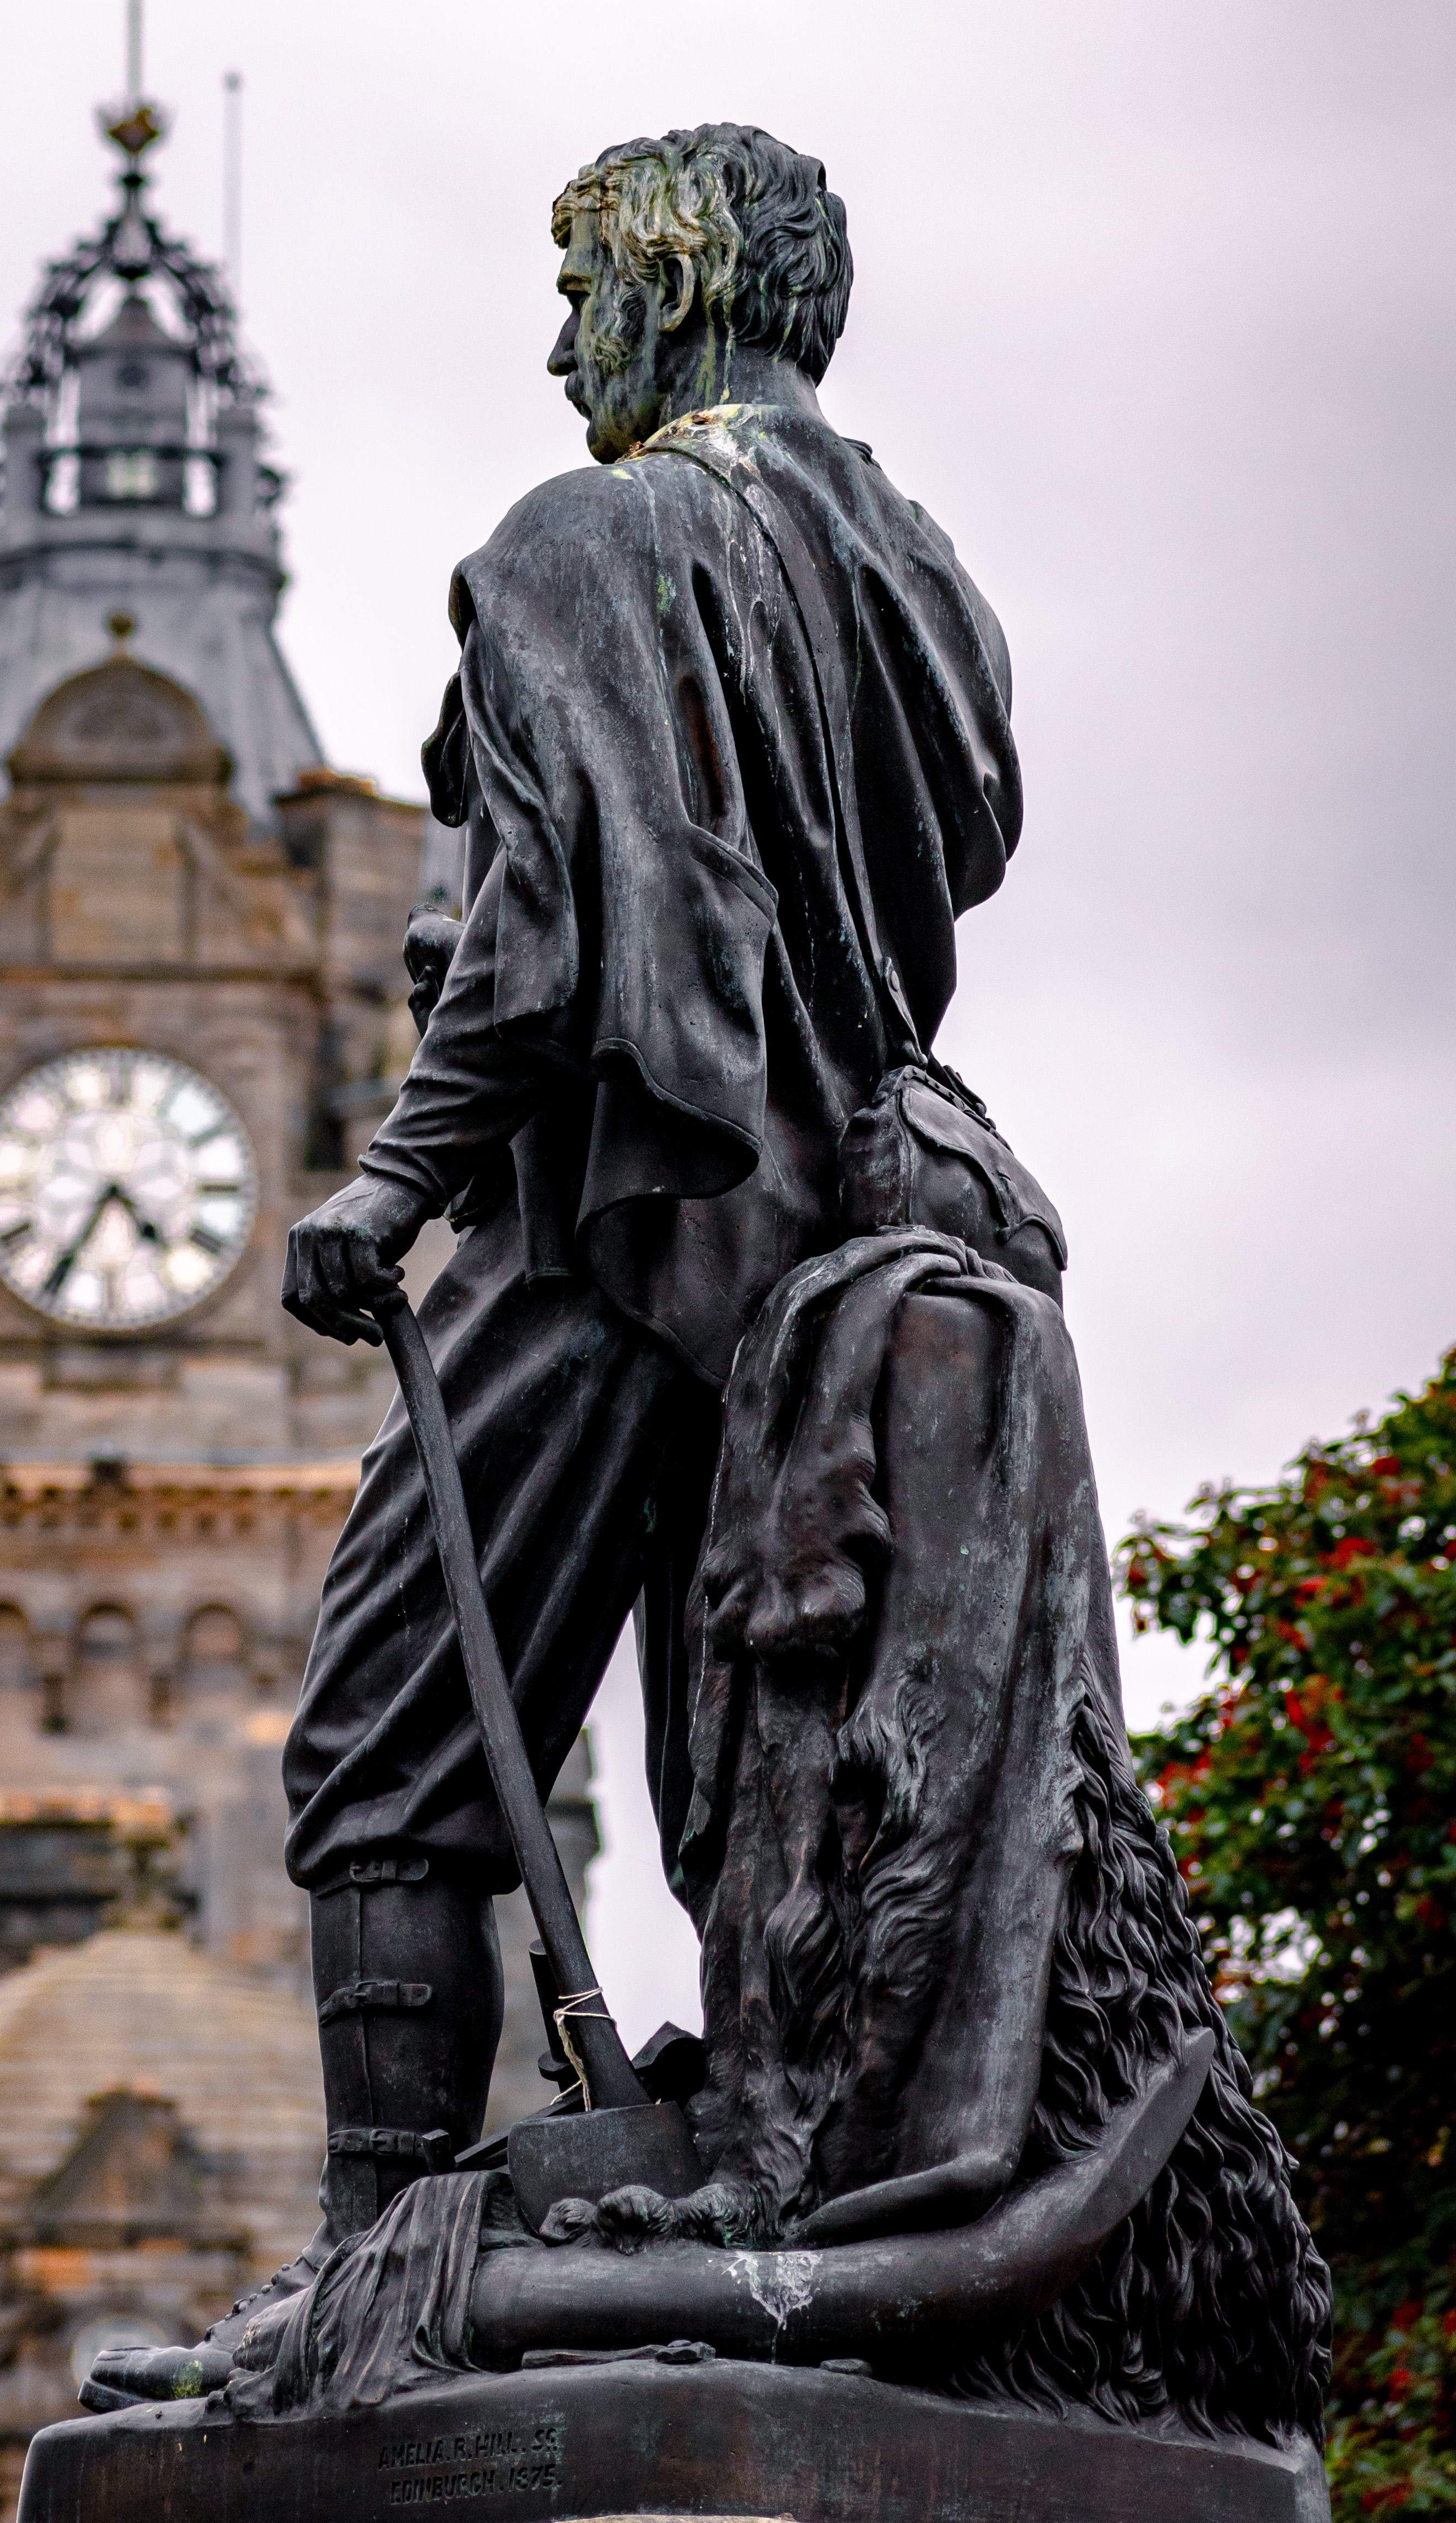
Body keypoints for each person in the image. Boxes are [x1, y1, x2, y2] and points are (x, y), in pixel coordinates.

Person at [278, 123, 1024, 2239]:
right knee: (760, 1740)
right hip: (861, 1233)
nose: (555, 342)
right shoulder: (925, 573)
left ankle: (374, 2255)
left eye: (579, 286)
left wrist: (390, 1187)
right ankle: (778, 2181)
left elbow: (547, 936)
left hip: (617, 1211)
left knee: (394, 1716)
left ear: (673, 286)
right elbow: (958, 846)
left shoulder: (582, 544)